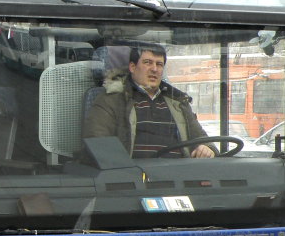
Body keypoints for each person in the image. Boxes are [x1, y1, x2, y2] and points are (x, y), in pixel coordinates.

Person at [83, 44, 215, 159]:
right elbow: (98, 145)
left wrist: (207, 148)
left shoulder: (178, 102)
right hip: (135, 180)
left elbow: (203, 140)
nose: (154, 69)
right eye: (147, 62)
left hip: (178, 177)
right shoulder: (111, 100)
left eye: (159, 64)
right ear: (132, 67)